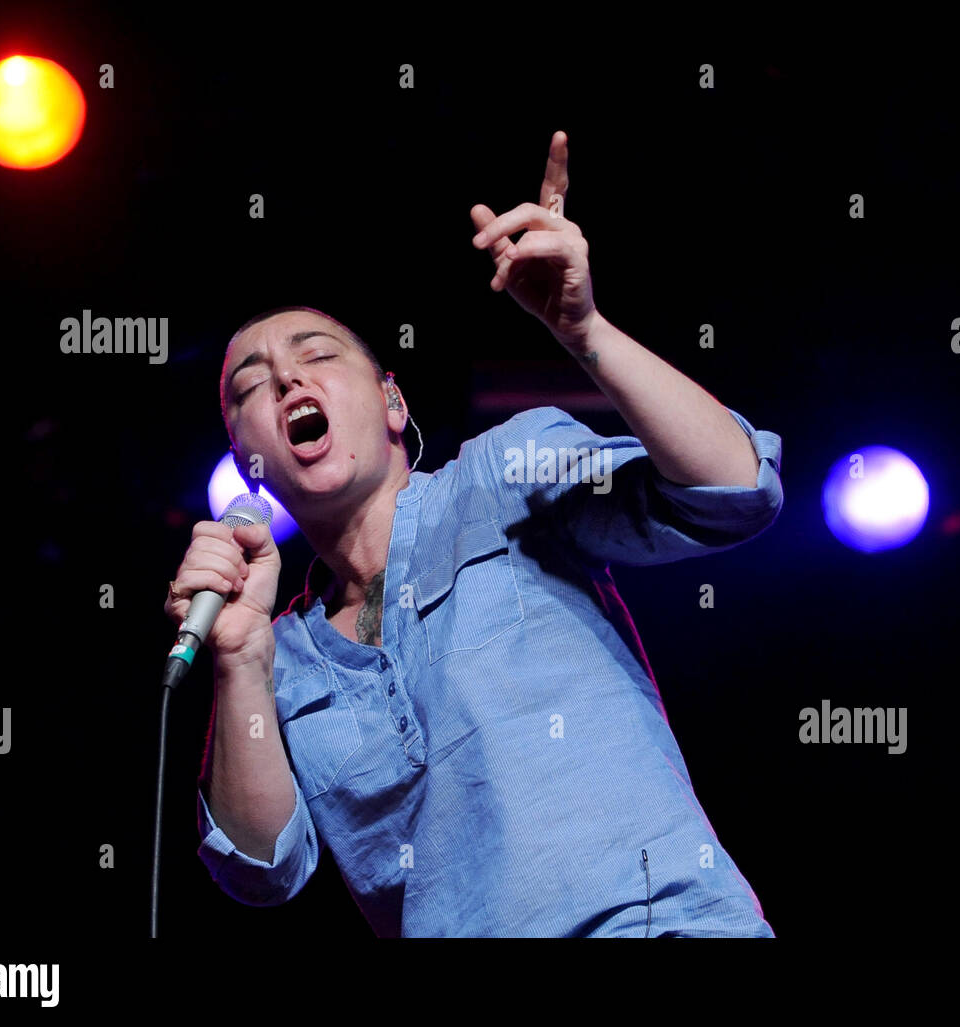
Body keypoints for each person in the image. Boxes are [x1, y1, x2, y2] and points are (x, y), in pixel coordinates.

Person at [163, 131, 785, 937]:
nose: (286, 378)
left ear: (393, 404)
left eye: (316, 356)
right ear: (250, 463)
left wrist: (585, 331)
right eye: (254, 384)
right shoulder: (280, 659)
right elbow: (259, 870)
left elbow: (733, 490)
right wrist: (240, 656)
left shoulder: (501, 473)